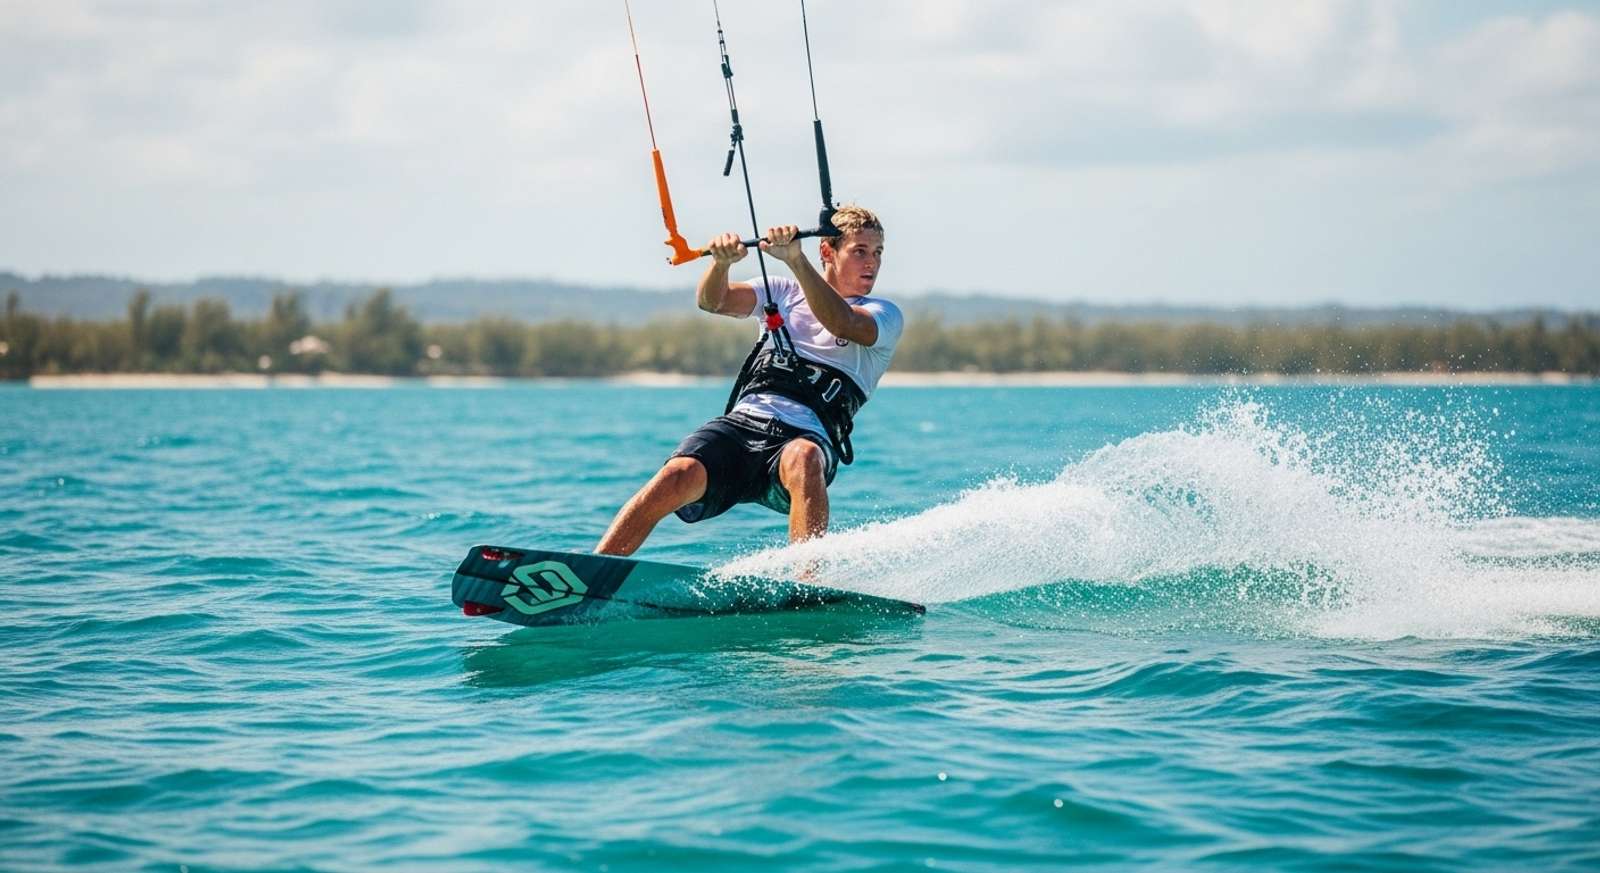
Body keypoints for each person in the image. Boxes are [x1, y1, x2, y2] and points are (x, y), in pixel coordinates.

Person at [596, 205, 902, 556]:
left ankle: (808, 585)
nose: (871, 263)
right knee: (676, 473)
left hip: (805, 437)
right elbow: (714, 301)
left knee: (803, 458)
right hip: (743, 426)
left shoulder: (884, 314)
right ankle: (593, 571)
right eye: (859, 251)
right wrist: (721, 263)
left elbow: (842, 322)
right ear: (827, 251)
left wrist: (795, 260)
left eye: (877, 253)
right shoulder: (783, 292)